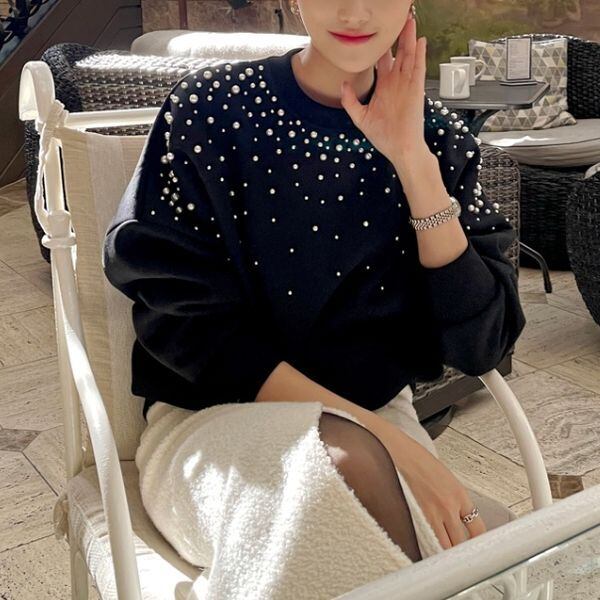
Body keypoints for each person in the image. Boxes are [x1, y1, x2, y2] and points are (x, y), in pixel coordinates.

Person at [102, 0, 527, 597]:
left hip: (380, 420)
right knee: (356, 478)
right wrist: (391, 444)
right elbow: (184, 325)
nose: (354, 10)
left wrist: (413, 161)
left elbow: (484, 343)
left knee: (489, 561)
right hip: (213, 426)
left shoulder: (437, 137)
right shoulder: (210, 109)